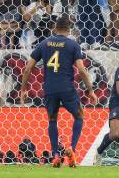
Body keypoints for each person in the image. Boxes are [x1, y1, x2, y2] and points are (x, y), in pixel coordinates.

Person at [20, 15, 98, 168]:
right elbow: (81, 70)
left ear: (54, 28)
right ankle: (72, 149)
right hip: (66, 87)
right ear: (69, 30)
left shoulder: (44, 43)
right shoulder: (73, 45)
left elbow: (28, 68)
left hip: (49, 88)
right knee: (79, 115)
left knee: (52, 120)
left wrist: (23, 89)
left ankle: (55, 155)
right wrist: (90, 90)